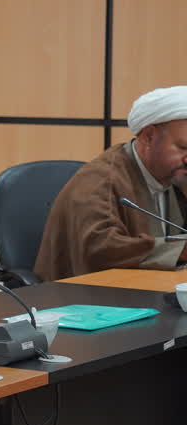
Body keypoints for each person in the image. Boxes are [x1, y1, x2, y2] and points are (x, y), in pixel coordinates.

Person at [35, 86, 187, 280]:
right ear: (149, 137)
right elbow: (101, 250)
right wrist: (180, 249)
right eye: (183, 147)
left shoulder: (174, 175)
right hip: (85, 293)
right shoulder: (100, 182)